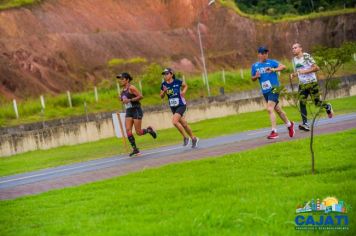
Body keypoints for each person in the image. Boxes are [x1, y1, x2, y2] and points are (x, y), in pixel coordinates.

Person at [251, 46, 295, 139]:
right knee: (278, 110)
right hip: (265, 91)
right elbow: (252, 78)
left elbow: (283, 66)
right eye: (263, 53)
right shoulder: (255, 66)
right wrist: (256, 76)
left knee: (269, 109)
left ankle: (274, 132)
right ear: (259, 54)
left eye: (266, 53)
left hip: (275, 88)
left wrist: (273, 70)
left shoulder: (271, 62)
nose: (265, 55)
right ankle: (289, 124)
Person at [290, 43, 334, 131]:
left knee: (317, 103)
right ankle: (305, 123)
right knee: (302, 103)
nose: (293, 49)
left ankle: (327, 106)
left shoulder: (306, 56)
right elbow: (299, 71)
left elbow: (316, 68)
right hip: (302, 84)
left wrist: (305, 71)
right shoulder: (294, 60)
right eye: (292, 48)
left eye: (295, 47)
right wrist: (293, 74)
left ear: (300, 48)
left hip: (312, 83)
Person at [117, 72, 157, 156]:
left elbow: (141, 96)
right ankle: (135, 149)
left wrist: (130, 100)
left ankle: (149, 130)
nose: (121, 81)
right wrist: (121, 99)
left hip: (136, 110)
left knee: (138, 132)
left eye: (122, 79)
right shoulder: (122, 90)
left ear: (127, 80)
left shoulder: (132, 88)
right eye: (120, 79)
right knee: (128, 130)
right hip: (128, 111)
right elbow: (123, 100)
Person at [160, 68, 199, 148]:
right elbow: (161, 96)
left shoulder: (177, 81)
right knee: (184, 124)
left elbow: (185, 86)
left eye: (167, 73)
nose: (165, 75)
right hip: (173, 106)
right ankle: (193, 138)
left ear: (171, 74)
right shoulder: (164, 84)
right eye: (164, 74)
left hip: (181, 105)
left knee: (174, 122)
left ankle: (185, 137)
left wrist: (184, 91)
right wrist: (164, 91)